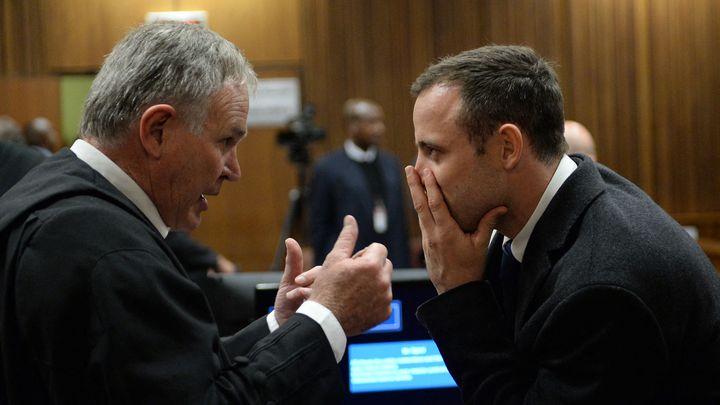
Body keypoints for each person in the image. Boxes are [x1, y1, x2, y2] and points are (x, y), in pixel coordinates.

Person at [0, 22, 393, 404]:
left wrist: (285, 326)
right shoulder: (113, 254)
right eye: (225, 141)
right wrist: (328, 319)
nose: (233, 170)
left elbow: (168, 374)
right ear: (157, 130)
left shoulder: (49, 192)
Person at [404, 45, 720, 403]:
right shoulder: (570, 194)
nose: (417, 172)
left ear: (507, 147)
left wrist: (458, 294)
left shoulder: (602, 286)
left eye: (434, 152)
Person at [310, 98, 410, 268]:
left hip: (392, 258)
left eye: (380, 121)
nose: (380, 128)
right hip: (349, 261)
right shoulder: (328, 167)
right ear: (352, 126)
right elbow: (320, 223)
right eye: (372, 122)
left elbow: (400, 218)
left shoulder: (391, 163)